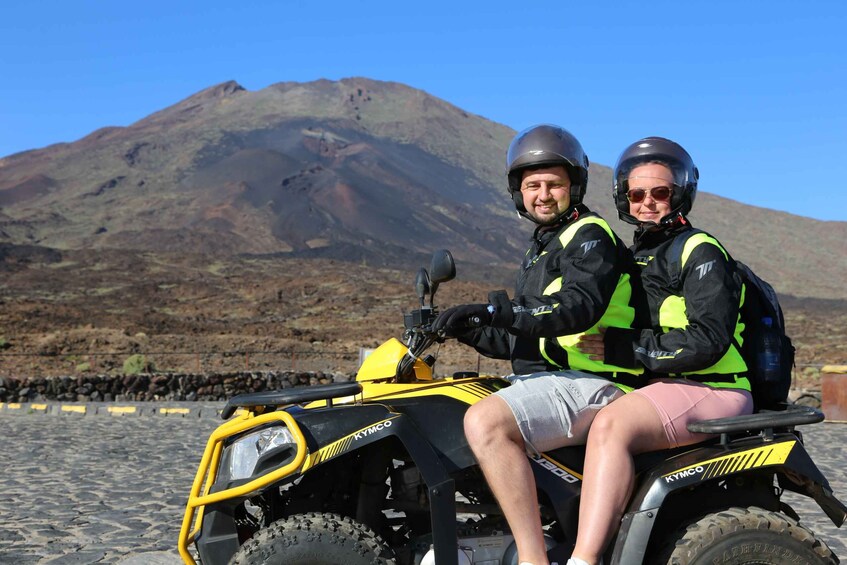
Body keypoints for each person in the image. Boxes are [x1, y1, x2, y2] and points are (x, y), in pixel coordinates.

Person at [432, 124, 644, 565]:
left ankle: (532, 559)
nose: (543, 194)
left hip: (597, 382)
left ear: (575, 187)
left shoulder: (590, 237)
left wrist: (499, 311)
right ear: (518, 192)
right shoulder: (543, 247)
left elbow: (576, 308)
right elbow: (523, 335)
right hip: (557, 378)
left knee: (486, 423)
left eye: (554, 184)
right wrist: (465, 326)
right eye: (532, 185)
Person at [571, 137, 754, 565]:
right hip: (667, 388)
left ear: (680, 193)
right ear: (624, 197)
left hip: (714, 387)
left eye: (660, 192)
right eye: (637, 194)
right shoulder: (635, 254)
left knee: (610, 428)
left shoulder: (701, 250)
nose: (648, 203)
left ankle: (585, 558)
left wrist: (627, 349)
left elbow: (709, 339)